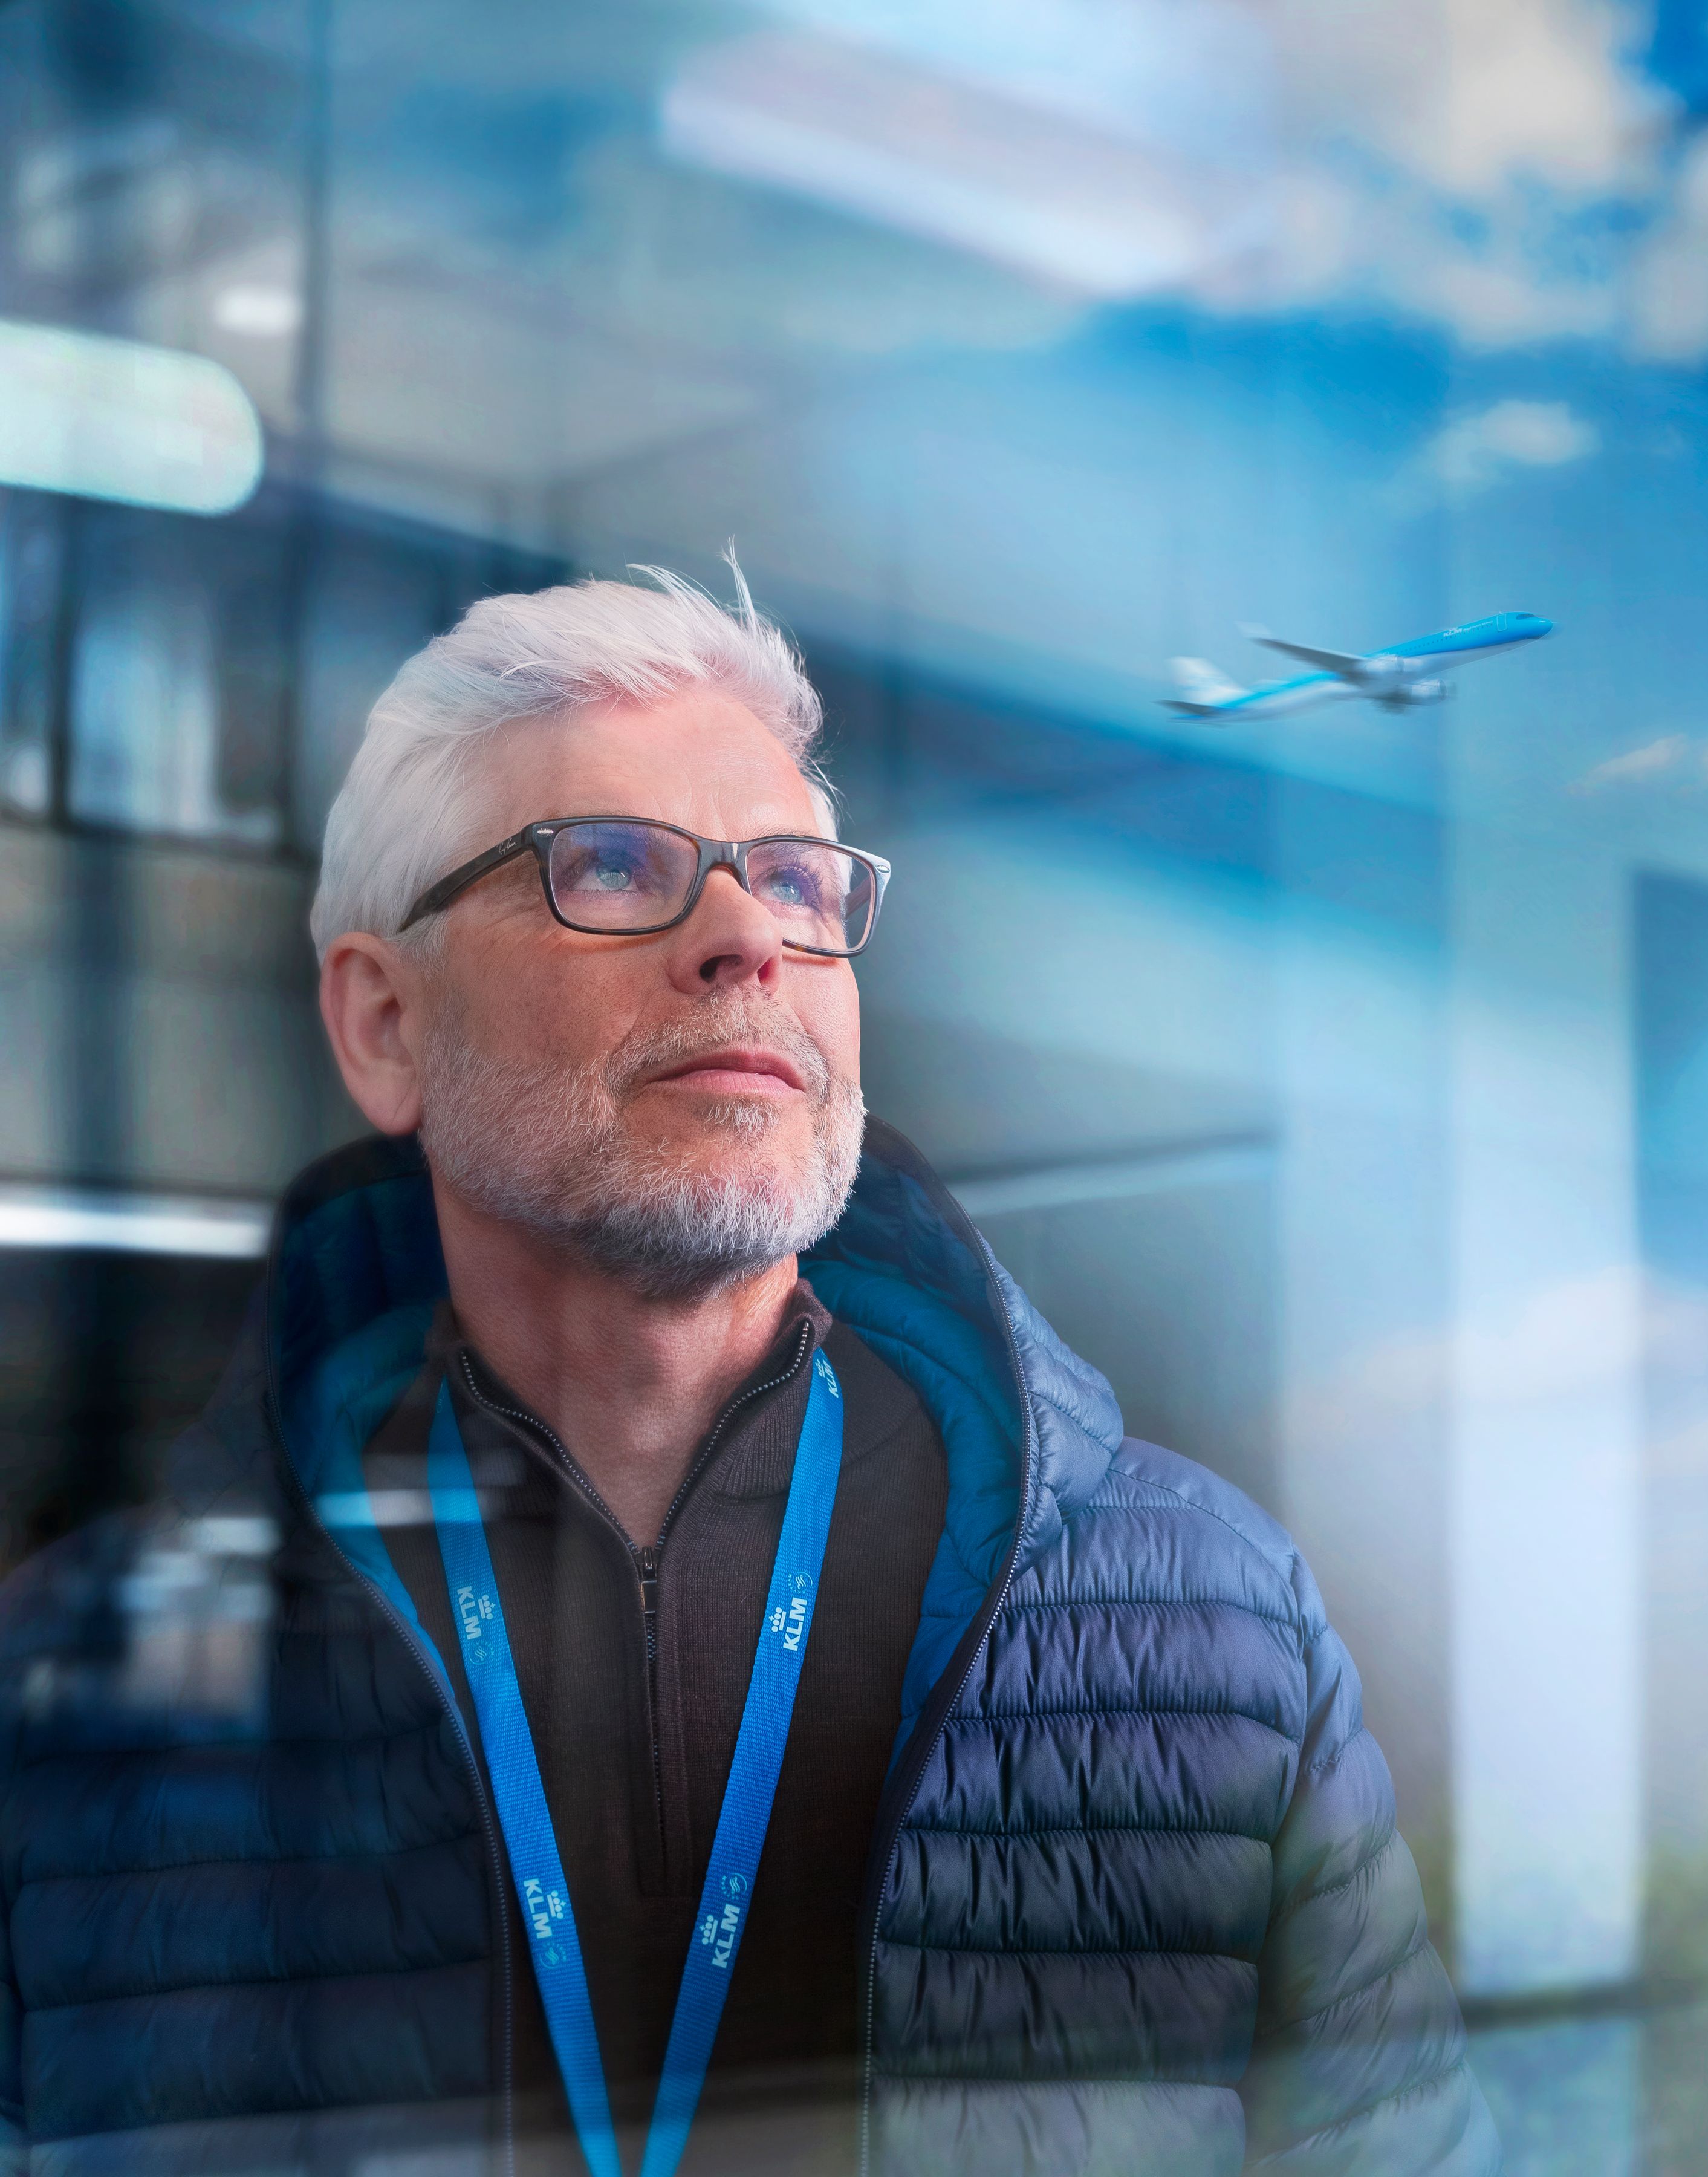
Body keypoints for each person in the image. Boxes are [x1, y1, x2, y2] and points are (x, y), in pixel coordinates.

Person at [0, 568, 1499, 2177]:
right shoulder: (73, 1678)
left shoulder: (1209, 1610)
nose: (745, 941)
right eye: (613, 866)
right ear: (382, 1026)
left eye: (796, 881)